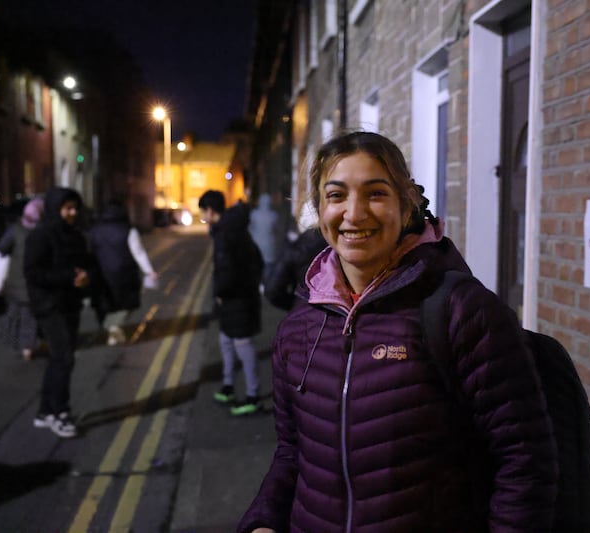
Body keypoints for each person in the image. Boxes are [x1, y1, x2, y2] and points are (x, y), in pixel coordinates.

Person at [237, 132, 558, 532]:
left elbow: (525, 461)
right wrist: (263, 521)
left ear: (405, 205)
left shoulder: (462, 312)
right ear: (319, 211)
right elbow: (292, 453)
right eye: (336, 196)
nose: (354, 214)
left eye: (375, 194)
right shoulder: (299, 328)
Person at [24, 187, 94, 438]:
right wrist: (68, 277)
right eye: (67, 208)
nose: (73, 213)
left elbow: (85, 263)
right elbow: (33, 273)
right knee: (64, 358)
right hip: (49, 306)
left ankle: (45, 411)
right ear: (55, 209)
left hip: (70, 303)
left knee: (59, 358)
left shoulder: (75, 235)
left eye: (75, 208)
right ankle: (59, 412)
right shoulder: (41, 236)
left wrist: (86, 277)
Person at [198, 190, 265, 416]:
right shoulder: (231, 229)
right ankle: (228, 387)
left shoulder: (225, 233)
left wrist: (220, 292)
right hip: (238, 296)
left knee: (242, 345)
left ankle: (253, 396)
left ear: (210, 211)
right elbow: (257, 259)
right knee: (226, 340)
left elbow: (226, 268)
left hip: (237, 298)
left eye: (202, 212)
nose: (202, 217)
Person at [89, 199, 158, 346]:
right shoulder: (129, 230)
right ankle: (114, 327)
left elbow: (90, 252)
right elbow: (138, 253)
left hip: (101, 274)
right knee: (126, 304)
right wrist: (149, 271)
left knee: (106, 305)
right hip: (124, 274)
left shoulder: (95, 230)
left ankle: (111, 329)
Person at [0, 198, 45, 361]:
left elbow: (2, 247)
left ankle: (14, 340)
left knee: (15, 313)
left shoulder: (15, 230)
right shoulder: (42, 232)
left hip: (15, 282)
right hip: (34, 282)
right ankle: (27, 347)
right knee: (29, 316)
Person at [263, 204, 326, 311]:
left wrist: (294, 305)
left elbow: (272, 290)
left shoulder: (296, 247)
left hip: (303, 312)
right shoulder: (335, 246)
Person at [247, 193, 279, 282]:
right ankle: (265, 286)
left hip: (257, 244)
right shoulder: (273, 216)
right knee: (267, 268)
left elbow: (250, 229)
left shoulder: (254, 214)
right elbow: (276, 230)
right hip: (269, 245)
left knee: (256, 266)